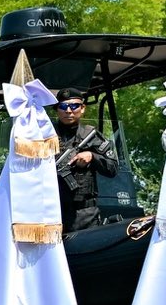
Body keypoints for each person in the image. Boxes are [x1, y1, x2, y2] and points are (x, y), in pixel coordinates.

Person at [51, 87, 118, 233]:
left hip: (84, 215)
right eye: (63, 106)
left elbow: (113, 168)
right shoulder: (45, 135)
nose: (69, 111)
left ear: (82, 108)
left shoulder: (90, 135)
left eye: (74, 106)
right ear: (57, 109)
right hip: (51, 212)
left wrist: (92, 157)